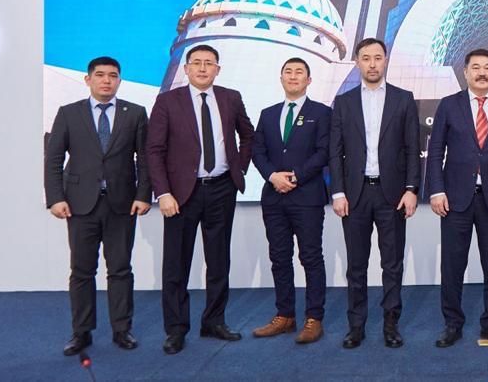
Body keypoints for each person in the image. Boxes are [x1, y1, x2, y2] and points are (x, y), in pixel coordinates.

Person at [146, 44, 254, 355]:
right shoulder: (168, 101)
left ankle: (214, 321)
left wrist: (238, 168)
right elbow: (154, 150)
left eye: (209, 63)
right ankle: (176, 329)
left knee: (218, 260)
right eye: (197, 63)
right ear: (186, 68)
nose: (203, 68)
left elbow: (248, 135)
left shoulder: (231, 98)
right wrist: (163, 193)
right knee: (176, 264)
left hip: (221, 189)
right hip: (181, 194)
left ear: (218, 69)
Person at [44, 56, 151, 355]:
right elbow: (54, 160)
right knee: (81, 270)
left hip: (122, 204)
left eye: (113, 75)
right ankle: (81, 332)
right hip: (79, 205)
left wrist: (144, 194)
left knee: (120, 269)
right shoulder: (69, 113)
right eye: (100, 75)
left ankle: (122, 330)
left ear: (119, 80)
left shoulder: (135, 113)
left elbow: (144, 159)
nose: (106, 80)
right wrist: (55, 198)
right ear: (88, 79)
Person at [427, 48, 488, 348]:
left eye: (487, 67)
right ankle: (452, 324)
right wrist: (436, 190)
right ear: (466, 72)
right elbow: (435, 151)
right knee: (452, 266)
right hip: (455, 198)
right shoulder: (449, 105)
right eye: (476, 67)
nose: (482, 72)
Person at [329, 38, 421, 349]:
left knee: (392, 264)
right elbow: (335, 152)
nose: (372, 63)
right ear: (357, 62)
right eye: (366, 58)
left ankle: (391, 324)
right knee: (356, 265)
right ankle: (356, 326)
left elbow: (412, 149)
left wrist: (411, 189)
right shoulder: (344, 102)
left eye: (377, 57)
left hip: (391, 195)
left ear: (385, 61)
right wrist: (338, 192)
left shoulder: (403, 99)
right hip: (354, 196)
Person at [250, 58, 332, 344]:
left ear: (309, 80)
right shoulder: (268, 114)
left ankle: (314, 318)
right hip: (274, 198)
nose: (293, 76)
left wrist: (296, 176)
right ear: (281, 78)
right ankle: (284, 315)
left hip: (307, 197)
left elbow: (324, 152)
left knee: (310, 257)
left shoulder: (321, 113)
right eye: (288, 72)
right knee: (279, 257)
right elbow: (257, 152)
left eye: (299, 72)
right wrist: (273, 176)